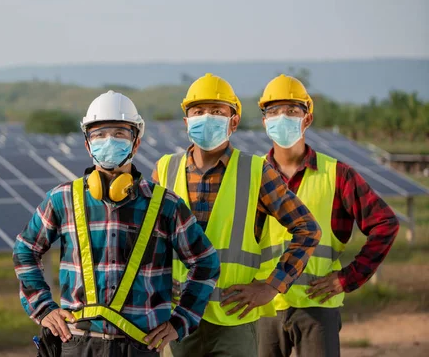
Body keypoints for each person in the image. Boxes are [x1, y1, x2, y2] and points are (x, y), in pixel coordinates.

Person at [13, 90, 220, 357]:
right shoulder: (62, 198)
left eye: (120, 133)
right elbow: (25, 249)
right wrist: (43, 308)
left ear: (136, 143)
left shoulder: (165, 205)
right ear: (87, 144)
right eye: (99, 134)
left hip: (138, 346)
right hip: (77, 343)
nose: (109, 141)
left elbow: (206, 262)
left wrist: (181, 321)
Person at [152, 73, 321, 357]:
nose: (207, 117)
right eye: (199, 111)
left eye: (217, 111)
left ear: (234, 121)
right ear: (186, 122)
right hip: (177, 317)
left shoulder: (256, 171)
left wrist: (271, 287)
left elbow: (307, 229)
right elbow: (150, 242)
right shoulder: (165, 169)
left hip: (235, 320)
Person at [256, 74, 400, 357]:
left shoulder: (337, 175)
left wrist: (347, 278)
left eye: (291, 110)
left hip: (317, 305)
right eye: (273, 111)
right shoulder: (250, 175)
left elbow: (385, 223)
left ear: (307, 118)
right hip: (264, 306)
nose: (281, 117)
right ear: (264, 122)